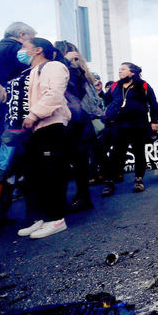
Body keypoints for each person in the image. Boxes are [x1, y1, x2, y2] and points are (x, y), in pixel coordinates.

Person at [16, 38, 71, 239]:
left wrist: (33, 115)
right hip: (37, 128)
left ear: (37, 50)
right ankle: (42, 218)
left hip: (51, 125)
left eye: (24, 48)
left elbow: (55, 94)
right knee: (34, 174)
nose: (20, 51)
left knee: (51, 173)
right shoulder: (29, 72)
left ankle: (56, 219)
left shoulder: (54, 66)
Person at [101, 63, 158, 196]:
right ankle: (109, 182)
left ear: (132, 72)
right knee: (116, 153)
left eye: (123, 69)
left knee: (139, 152)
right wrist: (109, 112)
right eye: (119, 69)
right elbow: (106, 100)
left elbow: (153, 103)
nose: (119, 71)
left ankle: (138, 180)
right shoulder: (115, 86)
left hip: (138, 125)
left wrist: (154, 121)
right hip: (119, 125)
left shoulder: (143, 85)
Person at [55, 41, 98, 211]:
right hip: (79, 121)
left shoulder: (73, 72)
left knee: (70, 162)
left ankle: (79, 198)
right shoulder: (77, 71)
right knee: (78, 163)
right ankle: (81, 197)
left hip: (74, 122)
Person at [0, 22, 36, 168]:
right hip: (11, 109)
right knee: (12, 152)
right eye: (31, 38)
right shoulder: (18, 51)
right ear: (22, 35)